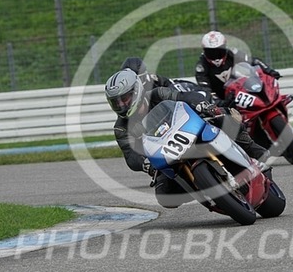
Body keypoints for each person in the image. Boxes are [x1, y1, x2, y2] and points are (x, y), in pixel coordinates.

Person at [105, 68, 269, 208]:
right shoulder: (121, 128)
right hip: (165, 155)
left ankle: (251, 148)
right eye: (116, 103)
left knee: (224, 117)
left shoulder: (158, 94)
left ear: (136, 91)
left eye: (124, 99)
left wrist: (203, 105)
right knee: (165, 197)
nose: (122, 105)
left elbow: (186, 97)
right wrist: (146, 164)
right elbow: (130, 155)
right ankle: (201, 188)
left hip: (189, 129)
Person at [195, 30, 281, 106]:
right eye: (211, 52)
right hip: (221, 100)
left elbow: (253, 60)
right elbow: (205, 90)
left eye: (219, 51)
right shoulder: (201, 66)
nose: (216, 56)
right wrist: (220, 102)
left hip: (240, 93)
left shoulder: (232, 53)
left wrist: (269, 70)